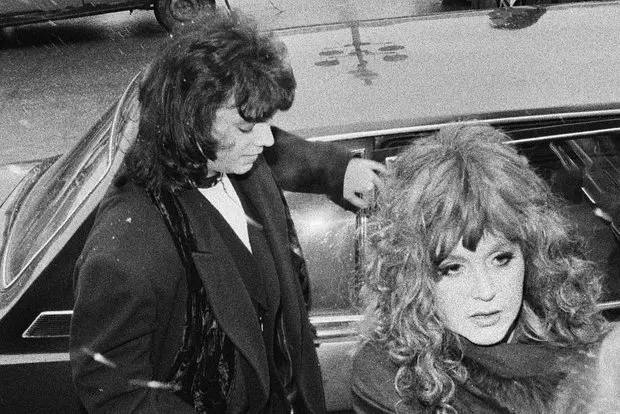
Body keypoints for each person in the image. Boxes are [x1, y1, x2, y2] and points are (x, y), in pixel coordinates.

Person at [69, 10, 385, 414]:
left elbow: (273, 145)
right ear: (193, 120)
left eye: (265, 122)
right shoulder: (129, 251)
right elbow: (115, 394)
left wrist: (337, 170)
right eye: (246, 128)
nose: (265, 140)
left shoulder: (230, 156)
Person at [351, 124, 620, 413]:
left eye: (501, 259)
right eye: (453, 268)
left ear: (530, 255)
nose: (485, 290)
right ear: (413, 275)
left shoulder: (588, 345)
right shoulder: (389, 376)